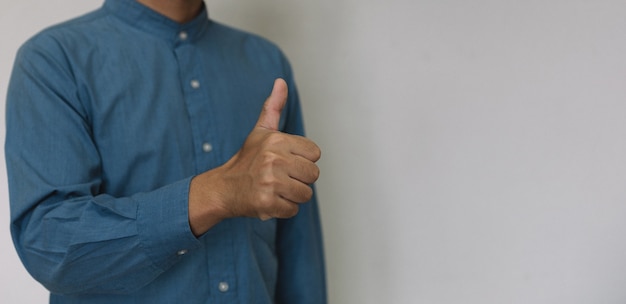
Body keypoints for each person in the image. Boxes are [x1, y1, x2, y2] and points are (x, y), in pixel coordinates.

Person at [5, 0, 326, 303]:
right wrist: (218, 192)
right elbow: (51, 246)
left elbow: (299, 253)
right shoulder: (54, 60)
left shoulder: (266, 61)